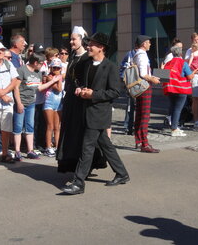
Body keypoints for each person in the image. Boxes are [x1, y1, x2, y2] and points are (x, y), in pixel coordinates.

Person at [61, 32, 129, 195]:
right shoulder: (88, 64)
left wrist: (94, 94)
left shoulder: (111, 67)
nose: (88, 46)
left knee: (87, 147)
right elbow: (85, 84)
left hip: (99, 113)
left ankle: (78, 183)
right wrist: (81, 89)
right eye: (88, 43)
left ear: (101, 48)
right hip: (86, 111)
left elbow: (115, 92)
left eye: (92, 44)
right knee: (106, 145)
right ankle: (122, 173)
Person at [13, 53, 61, 161]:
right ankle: (17, 151)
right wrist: (19, 103)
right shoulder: (22, 70)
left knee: (30, 126)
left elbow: (39, 88)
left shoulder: (38, 73)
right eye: (40, 63)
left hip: (31, 103)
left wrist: (52, 81)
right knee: (18, 127)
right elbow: (16, 88)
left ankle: (30, 150)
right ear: (35, 62)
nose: (41, 65)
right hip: (21, 101)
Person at [57, 26, 91, 172]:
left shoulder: (87, 57)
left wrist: (82, 87)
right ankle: (71, 164)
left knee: (80, 133)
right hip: (70, 99)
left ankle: (83, 168)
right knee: (70, 132)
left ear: (81, 40)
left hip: (81, 100)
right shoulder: (72, 56)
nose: (71, 42)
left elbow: (89, 78)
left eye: (73, 39)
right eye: (70, 39)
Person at [133, 35, 161, 153]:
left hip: (139, 88)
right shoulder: (142, 55)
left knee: (139, 114)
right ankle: (144, 143)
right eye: (148, 42)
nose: (150, 44)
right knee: (145, 116)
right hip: (144, 87)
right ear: (143, 44)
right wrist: (153, 79)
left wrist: (152, 76)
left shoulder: (137, 54)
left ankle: (139, 140)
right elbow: (143, 74)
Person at [163, 45, 196, 137]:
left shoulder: (168, 63)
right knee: (178, 109)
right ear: (181, 53)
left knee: (173, 108)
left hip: (170, 88)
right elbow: (189, 77)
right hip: (181, 89)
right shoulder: (183, 63)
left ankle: (174, 127)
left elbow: (163, 76)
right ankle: (174, 129)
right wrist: (193, 73)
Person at [43, 58, 63, 157]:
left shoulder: (59, 77)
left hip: (59, 103)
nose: (56, 69)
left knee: (57, 127)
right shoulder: (49, 77)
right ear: (51, 67)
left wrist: (59, 77)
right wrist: (59, 78)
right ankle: (48, 147)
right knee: (50, 126)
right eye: (54, 67)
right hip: (49, 102)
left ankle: (57, 146)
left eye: (58, 67)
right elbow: (59, 89)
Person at [119, 44, 138, 135]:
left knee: (135, 106)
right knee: (130, 105)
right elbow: (122, 66)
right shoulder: (130, 54)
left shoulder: (143, 54)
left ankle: (132, 126)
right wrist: (124, 79)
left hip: (139, 83)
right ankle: (128, 126)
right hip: (130, 83)